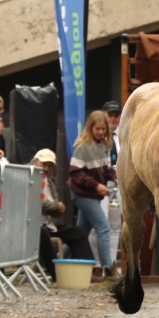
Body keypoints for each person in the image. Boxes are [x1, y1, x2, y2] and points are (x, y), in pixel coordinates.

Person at [68, 111, 120, 278]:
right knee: (103, 227)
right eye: (97, 129)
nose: (100, 132)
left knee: (79, 233)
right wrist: (97, 186)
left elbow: (102, 169)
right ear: (90, 128)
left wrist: (112, 175)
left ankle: (56, 260)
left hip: (91, 193)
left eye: (103, 129)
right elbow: (75, 174)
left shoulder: (104, 145)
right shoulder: (82, 146)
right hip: (82, 193)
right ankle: (108, 268)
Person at [31, 149, 96, 280]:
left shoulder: (48, 182)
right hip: (30, 224)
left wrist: (56, 208)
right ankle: (56, 273)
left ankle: (87, 271)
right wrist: (56, 207)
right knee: (42, 232)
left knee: (77, 232)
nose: (46, 168)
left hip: (48, 223)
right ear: (35, 162)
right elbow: (37, 202)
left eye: (49, 165)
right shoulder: (28, 179)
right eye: (44, 164)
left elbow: (55, 210)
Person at [94, 100, 123, 269]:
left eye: (116, 115)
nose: (113, 119)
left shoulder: (122, 134)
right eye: (109, 115)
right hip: (100, 184)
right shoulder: (97, 134)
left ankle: (110, 264)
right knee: (100, 223)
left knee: (114, 225)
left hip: (117, 184)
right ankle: (98, 264)